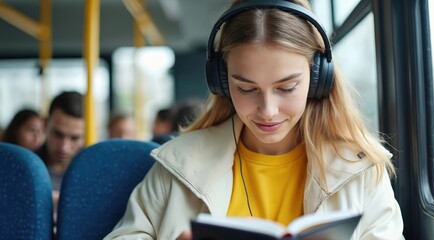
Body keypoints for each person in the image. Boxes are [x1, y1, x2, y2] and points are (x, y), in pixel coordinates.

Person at [105, 0, 404, 239]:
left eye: (287, 87)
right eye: (246, 89)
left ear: (318, 78)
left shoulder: (361, 171)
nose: (268, 110)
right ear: (221, 82)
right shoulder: (178, 166)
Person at [36, 91, 85, 217]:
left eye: (75, 138)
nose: (64, 147)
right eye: (58, 135)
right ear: (45, 124)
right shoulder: (25, 170)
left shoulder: (95, 174)